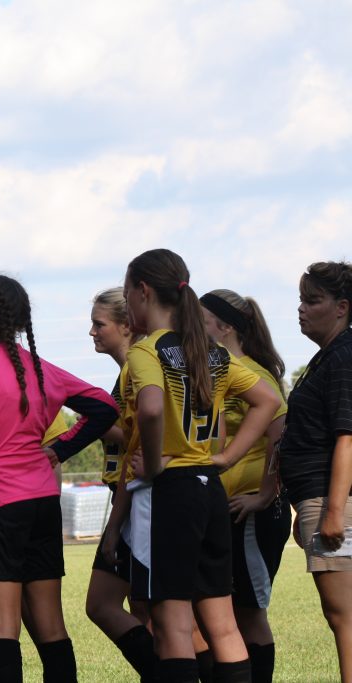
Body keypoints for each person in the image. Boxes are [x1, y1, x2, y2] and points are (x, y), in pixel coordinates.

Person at [0, 274, 119, 682]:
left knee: (0, 628)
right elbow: (104, 407)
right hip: (42, 503)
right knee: (51, 627)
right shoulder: (42, 369)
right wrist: (60, 449)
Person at [121, 249, 280, 683]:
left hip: (170, 493)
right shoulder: (212, 354)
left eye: (126, 290)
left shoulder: (146, 351)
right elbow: (268, 401)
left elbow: (151, 409)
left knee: (173, 625)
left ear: (143, 291)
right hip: (210, 489)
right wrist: (224, 458)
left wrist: (152, 465)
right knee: (223, 624)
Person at [200, 289, 289, 682]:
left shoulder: (249, 371)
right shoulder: (220, 369)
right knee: (233, 612)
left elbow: (280, 434)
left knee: (251, 615)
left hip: (251, 511)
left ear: (225, 327)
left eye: (202, 321)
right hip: (230, 509)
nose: (195, 328)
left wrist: (265, 495)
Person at [277, 260, 352, 682]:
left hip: (332, 499)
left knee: (345, 618)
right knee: (339, 615)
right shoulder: (327, 358)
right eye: (301, 300)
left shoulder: (344, 356)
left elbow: (347, 437)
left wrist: (333, 511)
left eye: (313, 300)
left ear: (342, 307)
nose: (301, 309)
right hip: (318, 498)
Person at [82, 287, 157, 681]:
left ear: (127, 325)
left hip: (139, 499)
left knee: (155, 610)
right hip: (127, 495)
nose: (92, 332)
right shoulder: (128, 371)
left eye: (99, 324)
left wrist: (93, 419)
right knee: (142, 610)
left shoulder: (138, 368)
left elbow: (139, 442)